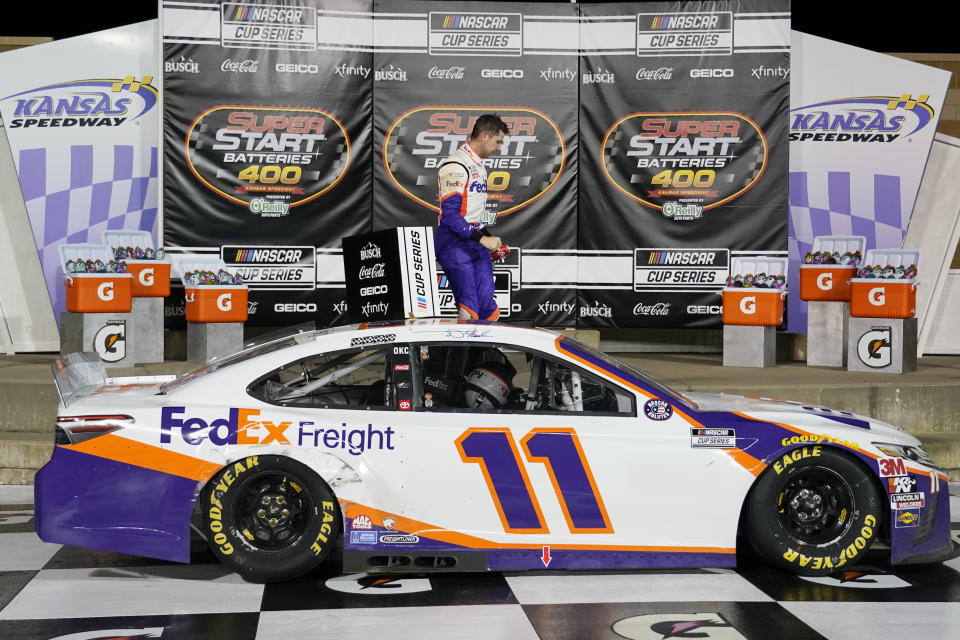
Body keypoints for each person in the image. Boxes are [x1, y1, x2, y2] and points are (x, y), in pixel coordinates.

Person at [435, 113, 508, 321]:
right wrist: (483, 239)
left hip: (474, 241)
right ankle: (458, 355)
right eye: (498, 141)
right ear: (484, 136)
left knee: (489, 310)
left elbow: (472, 217)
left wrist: (488, 238)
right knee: (469, 310)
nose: (499, 147)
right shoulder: (456, 165)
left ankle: (485, 355)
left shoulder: (478, 166)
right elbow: (450, 216)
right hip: (453, 243)